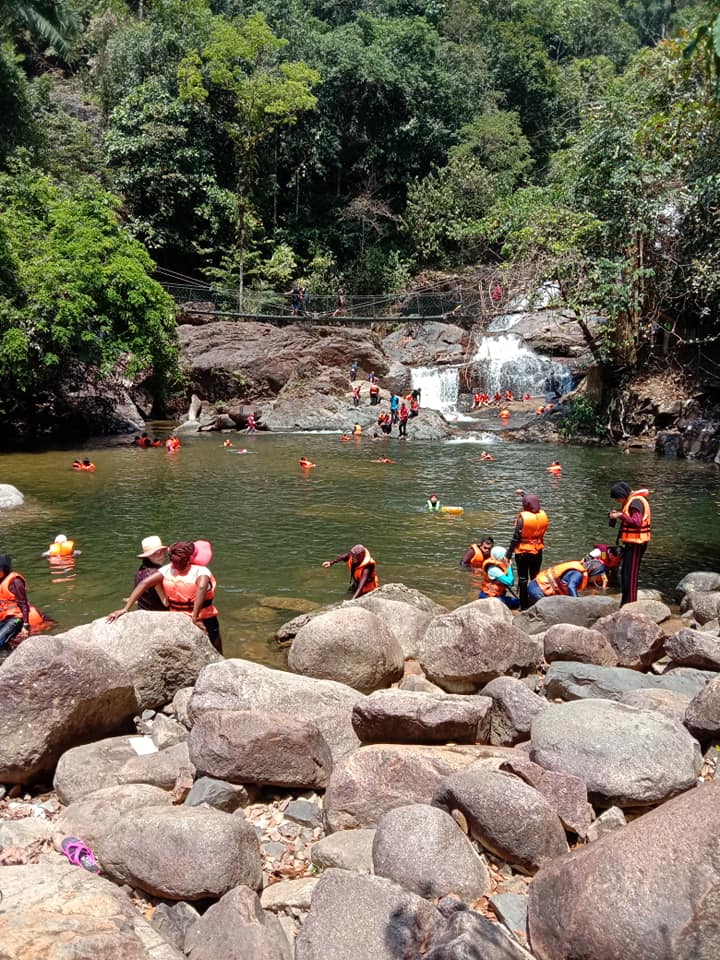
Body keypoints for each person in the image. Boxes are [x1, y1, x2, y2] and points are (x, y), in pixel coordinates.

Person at [108, 541, 222, 653]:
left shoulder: (167, 569)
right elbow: (201, 588)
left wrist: (125, 608)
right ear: (189, 559)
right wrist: (195, 617)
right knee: (216, 650)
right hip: (203, 618)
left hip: (176, 617)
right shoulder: (201, 571)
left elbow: (143, 584)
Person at [608, 482, 651, 605]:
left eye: (617, 498)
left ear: (623, 495)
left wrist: (621, 515)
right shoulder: (631, 502)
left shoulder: (636, 502)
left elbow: (637, 522)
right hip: (631, 543)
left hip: (637, 543)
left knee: (630, 575)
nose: (618, 501)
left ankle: (631, 604)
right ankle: (625, 602)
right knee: (625, 573)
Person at [507, 493, 549, 610]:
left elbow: (516, 538)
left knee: (523, 579)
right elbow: (531, 501)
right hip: (538, 551)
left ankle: (524, 605)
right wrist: (523, 494)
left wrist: (508, 554)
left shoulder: (522, 519)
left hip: (523, 552)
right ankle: (536, 600)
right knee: (535, 577)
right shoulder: (542, 515)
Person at [528, 555, 606, 606]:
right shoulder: (578, 573)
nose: (597, 578)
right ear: (593, 572)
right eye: (597, 576)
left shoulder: (580, 569)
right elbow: (571, 587)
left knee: (525, 604)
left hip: (535, 586)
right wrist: (578, 603)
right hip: (538, 590)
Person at [0, 555, 33, 650]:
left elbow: (24, 604)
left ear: (4, 569)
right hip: (4, 619)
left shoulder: (15, 581)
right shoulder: (1, 581)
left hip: (16, 619)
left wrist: (25, 625)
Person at [134, 535, 168, 612]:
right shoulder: (156, 574)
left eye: (161, 551)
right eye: (155, 553)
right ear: (148, 556)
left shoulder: (140, 570)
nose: (160, 555)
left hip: (142, 609)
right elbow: (165, 603)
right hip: (155, 613)